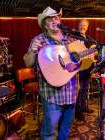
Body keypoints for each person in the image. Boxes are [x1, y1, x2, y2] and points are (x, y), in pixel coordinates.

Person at [23, 7, 78, 139]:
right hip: (52, 95)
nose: (54, 20)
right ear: (44, 24)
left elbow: (76, 66)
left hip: (71, 93)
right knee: (49, 133)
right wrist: (33, 51)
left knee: (65, 129)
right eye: (50, 19)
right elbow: (28, 62)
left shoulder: (69, 39)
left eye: (56, 17)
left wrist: (79, 85)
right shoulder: (39, 39)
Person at [74, 19, 95, 120]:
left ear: (87, 27)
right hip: (79, 68)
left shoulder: (89, 38)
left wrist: (94, 53)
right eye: (81, 25)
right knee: (79, 90)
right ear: (78, 26)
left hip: (88, 68)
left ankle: (83, 107)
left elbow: (93, 50)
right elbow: (73, 52)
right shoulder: (74, 37)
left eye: (85, 25)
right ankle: (77, 111)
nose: (83, 27)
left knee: (85, 89)